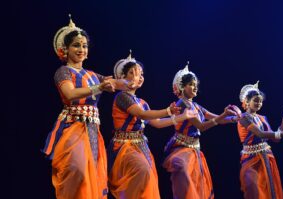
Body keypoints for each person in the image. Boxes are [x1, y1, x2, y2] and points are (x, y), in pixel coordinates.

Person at [42, 15, 139, 199]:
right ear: (65, 49)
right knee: (76, 169)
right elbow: (70, 94)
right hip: (72, 128)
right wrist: (99, 87)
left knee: (91, 175)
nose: (81, 49)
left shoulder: (93, 74)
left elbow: (117, 83)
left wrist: (132, 79)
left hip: (92, 131)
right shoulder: (63, 72)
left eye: (84, 46)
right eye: (76, 45)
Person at [108, 53, 197, 199]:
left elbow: (157, 123)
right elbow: (142, 115)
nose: (138, 76)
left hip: (140, 146)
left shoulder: (142, 102)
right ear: (122, 77)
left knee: (147, 178)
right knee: (142, 171)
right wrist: (168, 111)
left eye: (140, 73)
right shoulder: (122, 97)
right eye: (133, 73)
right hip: (123, 148)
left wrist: (181, 117)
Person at [163, 63, 241, 199]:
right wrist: (223, 115)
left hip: (194, 151)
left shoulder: (196, 106)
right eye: (191, 84)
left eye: (196, 85)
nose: (195, 87)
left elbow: (217, 118)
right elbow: (201, 126)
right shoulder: (182, 104)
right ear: (182, 87)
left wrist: (235, 118)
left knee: (197, 185)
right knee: (186, 181)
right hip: (182, 149)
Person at [237, 81, 283, 199]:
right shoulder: (243, 118)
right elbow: (260, 133)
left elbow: (275, 139)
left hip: (266, 157)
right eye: (256, 100)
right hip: (250, 159)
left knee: (269, 190)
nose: (259, 103)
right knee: (253, 189)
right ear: (247, 102)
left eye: (260, 101)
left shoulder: (262, 118)